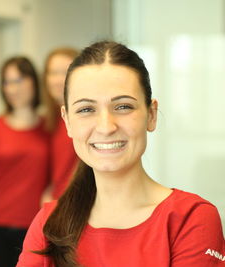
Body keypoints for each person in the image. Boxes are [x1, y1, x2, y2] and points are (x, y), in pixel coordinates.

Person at [17, 41, 225, 266]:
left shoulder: (190, 219)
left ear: (151, 115)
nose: (106, 127)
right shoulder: (49, 223)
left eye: (123, 106)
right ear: (67, 121)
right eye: (86, 109)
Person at [0, 57, 50, 267]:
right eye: (7, 82)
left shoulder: (48, 126)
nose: (12, 89)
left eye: (18, 80)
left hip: (36, 227)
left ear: (33, 82)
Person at [43, 47, 79, 200]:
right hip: (57, 205)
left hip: (75, 204)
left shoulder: (83, 118)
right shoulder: (52, 119)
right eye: (53, 73)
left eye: (65, 72)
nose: (58, 80)